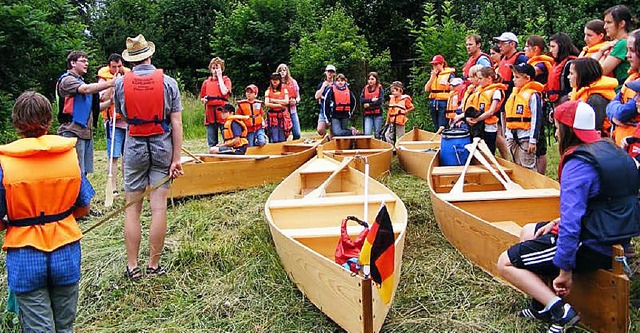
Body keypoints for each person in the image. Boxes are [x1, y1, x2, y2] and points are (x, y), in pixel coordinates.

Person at [497, 100, 640, 333]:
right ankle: (540, 304)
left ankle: (560, 311)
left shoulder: (578, 164)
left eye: (557, 127)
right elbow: (607, 203)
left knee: (505, 262)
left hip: (590, 244)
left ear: (567, 130)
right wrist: (556, 222)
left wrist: (565, 271)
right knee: (528, 231)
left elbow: (572, 225)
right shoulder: (612, 150)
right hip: (613, 237)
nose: (555, 132)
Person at [0, 91, 94, 332]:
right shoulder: (68, 155)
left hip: (25, 256)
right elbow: (84, 206)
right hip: (66, 252)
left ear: (16, 123)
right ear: (50, 120)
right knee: (65, 326)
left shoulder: (4, 164)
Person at [114, 34, 184, 280]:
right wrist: (177, 158)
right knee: (158, 207)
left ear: (131, 60)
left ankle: (132, 266)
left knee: (132, 209)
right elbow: (176, 123)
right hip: (162, 144)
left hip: (134, 145)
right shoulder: (168, 82)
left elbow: (122, 114)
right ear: (150, 55)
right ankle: (153, 265)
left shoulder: (120, 84)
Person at [57, 51, 115, 175]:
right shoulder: (67, 80)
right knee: (76, 173)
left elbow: (94, 109)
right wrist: (110, 82)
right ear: (72, 63)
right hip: (72, 132)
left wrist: (111, 102)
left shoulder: (81, 82)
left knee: (84, 174)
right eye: (83, 61)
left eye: (87, 61)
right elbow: (85, 89)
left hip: (85, 133)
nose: (87, 64)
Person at [98, 53, 131, 196]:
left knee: (128, 156)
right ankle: (113, 187)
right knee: (114, 156)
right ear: (109, 66)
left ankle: (127, 185)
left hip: (128, 122)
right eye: (114, 67)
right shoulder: (103, 79)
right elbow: (103, 98)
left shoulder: (129, 75)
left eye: (119, 66)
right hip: (114, 123)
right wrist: (113, 84)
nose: (117, 69)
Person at [504, 63, 544, 170]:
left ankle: (532, 186)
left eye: (517, 77)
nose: (514, 80)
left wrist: (533, 140)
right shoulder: (514, 94)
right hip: (512, 136)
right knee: (516, 166)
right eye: (513, 77)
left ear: (527, 78)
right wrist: (508, 135)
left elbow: (536, 119)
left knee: (527, 166)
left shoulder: (533, 95)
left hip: (525, 136)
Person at [524, 35, 554, 174]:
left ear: (535, 48)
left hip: (538, 103)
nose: (523, 49)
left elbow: (528, 73)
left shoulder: (541, 65)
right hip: (527, 104)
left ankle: (541, 174)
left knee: (540, 144)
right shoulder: (532, 62)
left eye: (526, 46)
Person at [568, 57, 618, 136]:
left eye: (571, 73)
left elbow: (594, 130)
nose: (568, 77)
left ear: (583, 75)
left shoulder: (596, 99)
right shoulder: (582, 92)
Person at [607, 29, 640, 145]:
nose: (627, 55)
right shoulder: (631, 78)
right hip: (623, 147)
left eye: (632, 51)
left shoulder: (637, 85)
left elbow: (623, 113)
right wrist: (612, 116)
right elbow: (610, 106)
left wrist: (615, 113)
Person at [466, 67, 507, 154]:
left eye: (480, 78)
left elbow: (491, 111)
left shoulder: (496, 91)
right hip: (478, 126)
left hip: (489, 126)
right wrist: (468, 118)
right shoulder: (478, 91)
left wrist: (477, 119)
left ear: (489, 78)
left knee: (488, 151)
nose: (479, 81)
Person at [592, 5, 633, 90]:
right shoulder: (619, 43)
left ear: (622, 23)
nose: (605, 27)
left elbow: (599, 72)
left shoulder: (623, 43)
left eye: (609, 22)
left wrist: (600, 52)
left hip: (622, 91)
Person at [200, 57, 232, 149]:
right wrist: (204, 100)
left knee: (227, 138)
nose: (215, 70)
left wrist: (219, 77)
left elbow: (224, 92)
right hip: (210, 113)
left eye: (217, 68)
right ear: (210, 69)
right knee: (212, 141)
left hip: (222, 112)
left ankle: (228, 153)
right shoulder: (206, 82)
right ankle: (213, 154)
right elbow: (202, 97)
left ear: (221, 69)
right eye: (213, 68)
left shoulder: (226, 80)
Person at [546, 33, 580, 106]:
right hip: (557, 103)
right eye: (550, 47)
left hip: (567, 103)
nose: (551, 50)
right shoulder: (557, 63)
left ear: (562, 47)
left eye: (553, 47)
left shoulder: (571, 64)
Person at [424, 55, 455, 129]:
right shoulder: (433, 75)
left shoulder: (449, 75)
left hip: (443, 102)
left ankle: (443, 138)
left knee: (442, 125)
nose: (434, 67)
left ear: (442, 64)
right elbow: (426, 89)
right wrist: (432, 77)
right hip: (434, 102)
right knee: (436, 126)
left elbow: (454, 88)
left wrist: (447, 84)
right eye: (433, 65)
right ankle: (438, 137)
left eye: (436, 64)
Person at [265, 72, 292, 143]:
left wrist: (273, 100)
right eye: (273, 79)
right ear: (271, 80)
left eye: (277, 79)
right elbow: (267, 103)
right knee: (274, 138)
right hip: (272, 118)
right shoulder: (268, 91)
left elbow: (286, 101)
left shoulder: (284, 90)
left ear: (279, 80)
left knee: (283, 137)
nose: (275, 81)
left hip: (283, 118)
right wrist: (280, 104)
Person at [277, 64, 302, 140]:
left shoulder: (293, 82)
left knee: (297, 134)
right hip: (281, 111)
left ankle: (294, 146)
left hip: (292, 110)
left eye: (284, 70)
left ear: (287, 71)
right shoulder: (275, 83)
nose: (282, 72)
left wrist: (296, 101)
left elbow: (298, 97)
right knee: (282, 135)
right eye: (280, 71)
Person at [360, 72, 385, 138]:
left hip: (378, 114)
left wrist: (369, 105)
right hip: (368, 114)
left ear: (376, 80)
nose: (370, 81)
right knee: (367, 133)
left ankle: (378, 147)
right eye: (369, 79)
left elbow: (379, 101)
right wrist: (371, 100)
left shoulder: (380, 89)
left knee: (377, 133)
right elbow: (362, 100)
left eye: (372, 79)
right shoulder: (365, 89)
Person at [315, 64, 336, 136]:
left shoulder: (336, 84)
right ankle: (326, 138)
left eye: (332, 71)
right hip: (323, 111)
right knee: (320, 130)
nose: (330, 73)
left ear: (334, 73)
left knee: (333, 132)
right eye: (328, 71)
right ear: (325, 72)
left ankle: (331, 141)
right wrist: (323, 87)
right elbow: (317, 96)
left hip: (333, 111)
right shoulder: (322, 84)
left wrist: (324, 97)